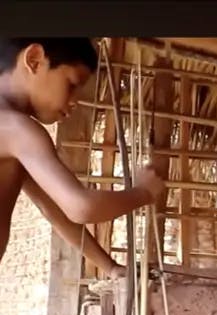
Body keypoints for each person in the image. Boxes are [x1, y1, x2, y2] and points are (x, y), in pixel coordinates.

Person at [0, 38, 164, 277]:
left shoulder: (12, 134)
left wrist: (110, 267)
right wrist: (144, 193)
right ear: (34, 60)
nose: (75, 100)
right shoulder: (16, 129)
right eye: (72, 84)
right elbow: (81, 207)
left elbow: (53, 208)